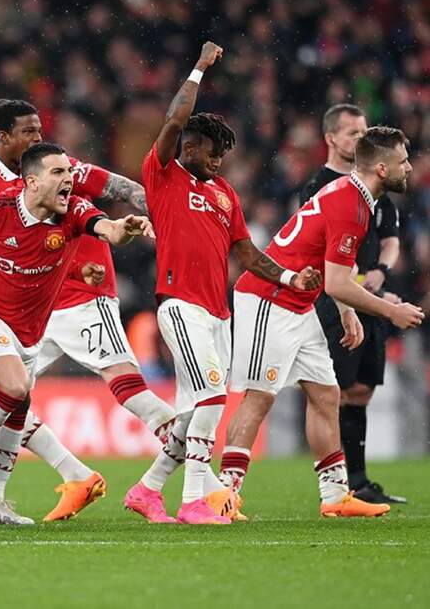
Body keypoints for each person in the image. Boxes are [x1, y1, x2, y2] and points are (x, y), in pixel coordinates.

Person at [0, 99, 170, 526]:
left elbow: (119, 192)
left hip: (61, 300)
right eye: (29, 131)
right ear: (2, 137)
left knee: (14, 396)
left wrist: (161, 213)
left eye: (37, 131)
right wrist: (2, 270)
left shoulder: (60, 169)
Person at [124, 42, 322, 525]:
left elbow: (247, 254)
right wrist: (198, 68)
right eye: (212, 155)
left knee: (193, 412)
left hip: (219, 314)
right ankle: (195, 501)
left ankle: (147, 490)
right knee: (212, 397)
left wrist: (292, 277)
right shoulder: (164, 175)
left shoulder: (226, 194)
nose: (218, 163)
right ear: (190, 148)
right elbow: (174, 120)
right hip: (180, 305)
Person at [220, 126, 422, 518]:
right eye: (403, 162)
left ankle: (334, 496)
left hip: (300, 302)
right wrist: (390, 311)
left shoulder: (353, 197)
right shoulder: (352, 205)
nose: (409, 168)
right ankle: (224, 494)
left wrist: (347, 312)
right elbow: (338, 282)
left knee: (326, 393)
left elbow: (330, 270)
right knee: (260, 397)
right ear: (382, 169)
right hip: (269, 299)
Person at [303, 104, 405, 504]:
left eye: (364, 132)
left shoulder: (376, 188)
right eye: (353, 133)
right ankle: (338, 484)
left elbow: (390, 237)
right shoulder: (320, 188)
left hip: (369, 300)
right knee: (336, 391)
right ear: (330, 138)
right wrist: (367, 288)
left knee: (361, 389)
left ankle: (359, 480)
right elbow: (320, 257)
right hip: (335, 302)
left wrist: (381, 270)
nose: (360, 139)